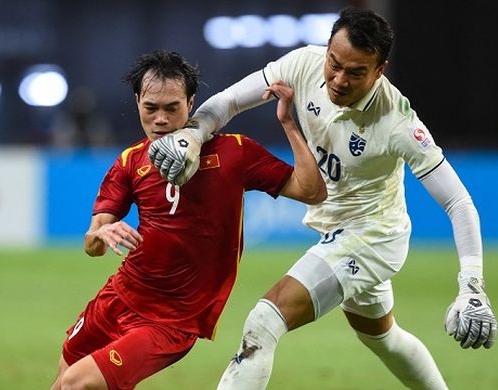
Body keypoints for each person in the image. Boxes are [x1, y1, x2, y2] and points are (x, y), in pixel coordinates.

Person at [148, 7, 498, 389]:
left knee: (265, 321)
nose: (338, 79)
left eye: (356, 72)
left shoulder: (399, 123)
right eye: (335, 63)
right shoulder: (305, 64)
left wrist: (472, 286)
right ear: (328, 48)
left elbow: (459, 203)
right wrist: (193, 135)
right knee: (384, 338)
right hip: (337, 229)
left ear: (380, 71)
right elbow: (230, 101)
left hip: (371, 236)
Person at [50, 50, 326, 390]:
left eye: (172, 108)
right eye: (151, 108)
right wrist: (103, 231)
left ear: (191, 103)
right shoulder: (129, 162)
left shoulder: (235, 153)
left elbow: (312, 191)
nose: (161, 120)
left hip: (170, 320)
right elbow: (91, 244)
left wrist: (288, 123)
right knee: (62, 384)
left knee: (78, 383)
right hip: (117, 298)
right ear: (137, 102)